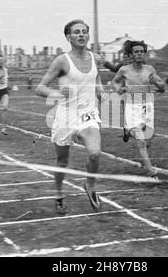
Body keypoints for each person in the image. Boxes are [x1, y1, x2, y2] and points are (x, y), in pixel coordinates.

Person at [36, 19, 105, 215]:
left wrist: (102, 92)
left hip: (88, 115)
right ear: (68, 37)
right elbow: (39, 88)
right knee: (62, 161)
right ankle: (58, 195)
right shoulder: (62, 61)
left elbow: (97, 80)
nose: (82, 35)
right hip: (66, 116)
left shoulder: (96, 59)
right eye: (77, 32)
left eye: (84, 31)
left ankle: (89, 186)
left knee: (94, 153)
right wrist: (56, 94)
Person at [112, 40, 165, 177]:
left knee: (148, 139)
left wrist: (159, 84)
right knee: (141, 139)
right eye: (137, 51)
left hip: (147, 106)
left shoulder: (149, 69)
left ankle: (127, 132)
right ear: (130, 54)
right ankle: (151, 170)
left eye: (142, 51)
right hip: (131, 107)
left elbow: (161, 85)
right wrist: (119, 90)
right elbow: (115, 81)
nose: (140, 54)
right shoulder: (124, 70)